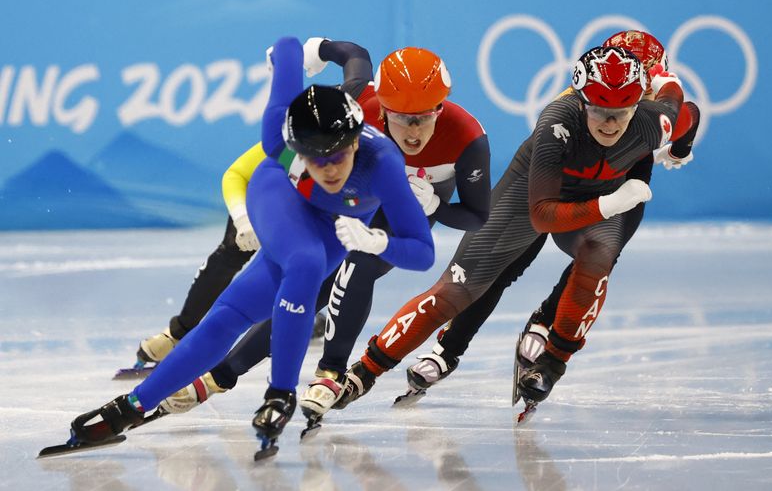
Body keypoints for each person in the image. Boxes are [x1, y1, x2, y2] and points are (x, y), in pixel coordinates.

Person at [63, 36, 435, 455]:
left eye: (336, 157)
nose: (328, 169)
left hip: (338, 227)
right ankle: (280, 395)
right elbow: (287, 46)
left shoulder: (383, 163)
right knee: (307, 263)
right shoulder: (279, 136)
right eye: (315, 159)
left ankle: (129, 407)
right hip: (280, 197)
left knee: (231, 315)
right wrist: (294, 52)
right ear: (296, 149)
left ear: (353, 143)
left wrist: (377, 241)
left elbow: (423, 253)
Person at [333, 44, 691, 411]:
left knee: (597, 258)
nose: (610, 123)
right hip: (541, 195)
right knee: (459, 289)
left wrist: (680, 145)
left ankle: (552, 360)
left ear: (641, 99)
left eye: (622, 111)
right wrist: (610, 203)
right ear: (581, 101)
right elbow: (542, 216)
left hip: (605, 195)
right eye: (598, 110)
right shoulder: (558, 122)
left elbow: (685, 112)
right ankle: (367, 370)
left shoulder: (654, 122)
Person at [159, 40, 492, 423]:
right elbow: (356, 61)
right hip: (352, 198)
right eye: (401, 117)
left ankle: (331, 372)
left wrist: (436, 205)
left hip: (411, 204)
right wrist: (320, 49)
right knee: (307, 286)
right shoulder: (354, 111)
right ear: (381, 108)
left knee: (362, 264)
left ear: (441, 107)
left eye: (424, 117)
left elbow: (476, 216)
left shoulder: (467, 137)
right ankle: (221, 374)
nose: (413, 131)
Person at [131, 38, 377, 369]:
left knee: (328, 257)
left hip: (331, 201)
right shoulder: (293, 133)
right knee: (234, 248)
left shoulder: (370, 102)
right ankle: (181, 331)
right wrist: (243, 219)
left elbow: (355, 54)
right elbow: (235, 175)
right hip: (279, 192)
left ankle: (302, 312)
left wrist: (320, 48)